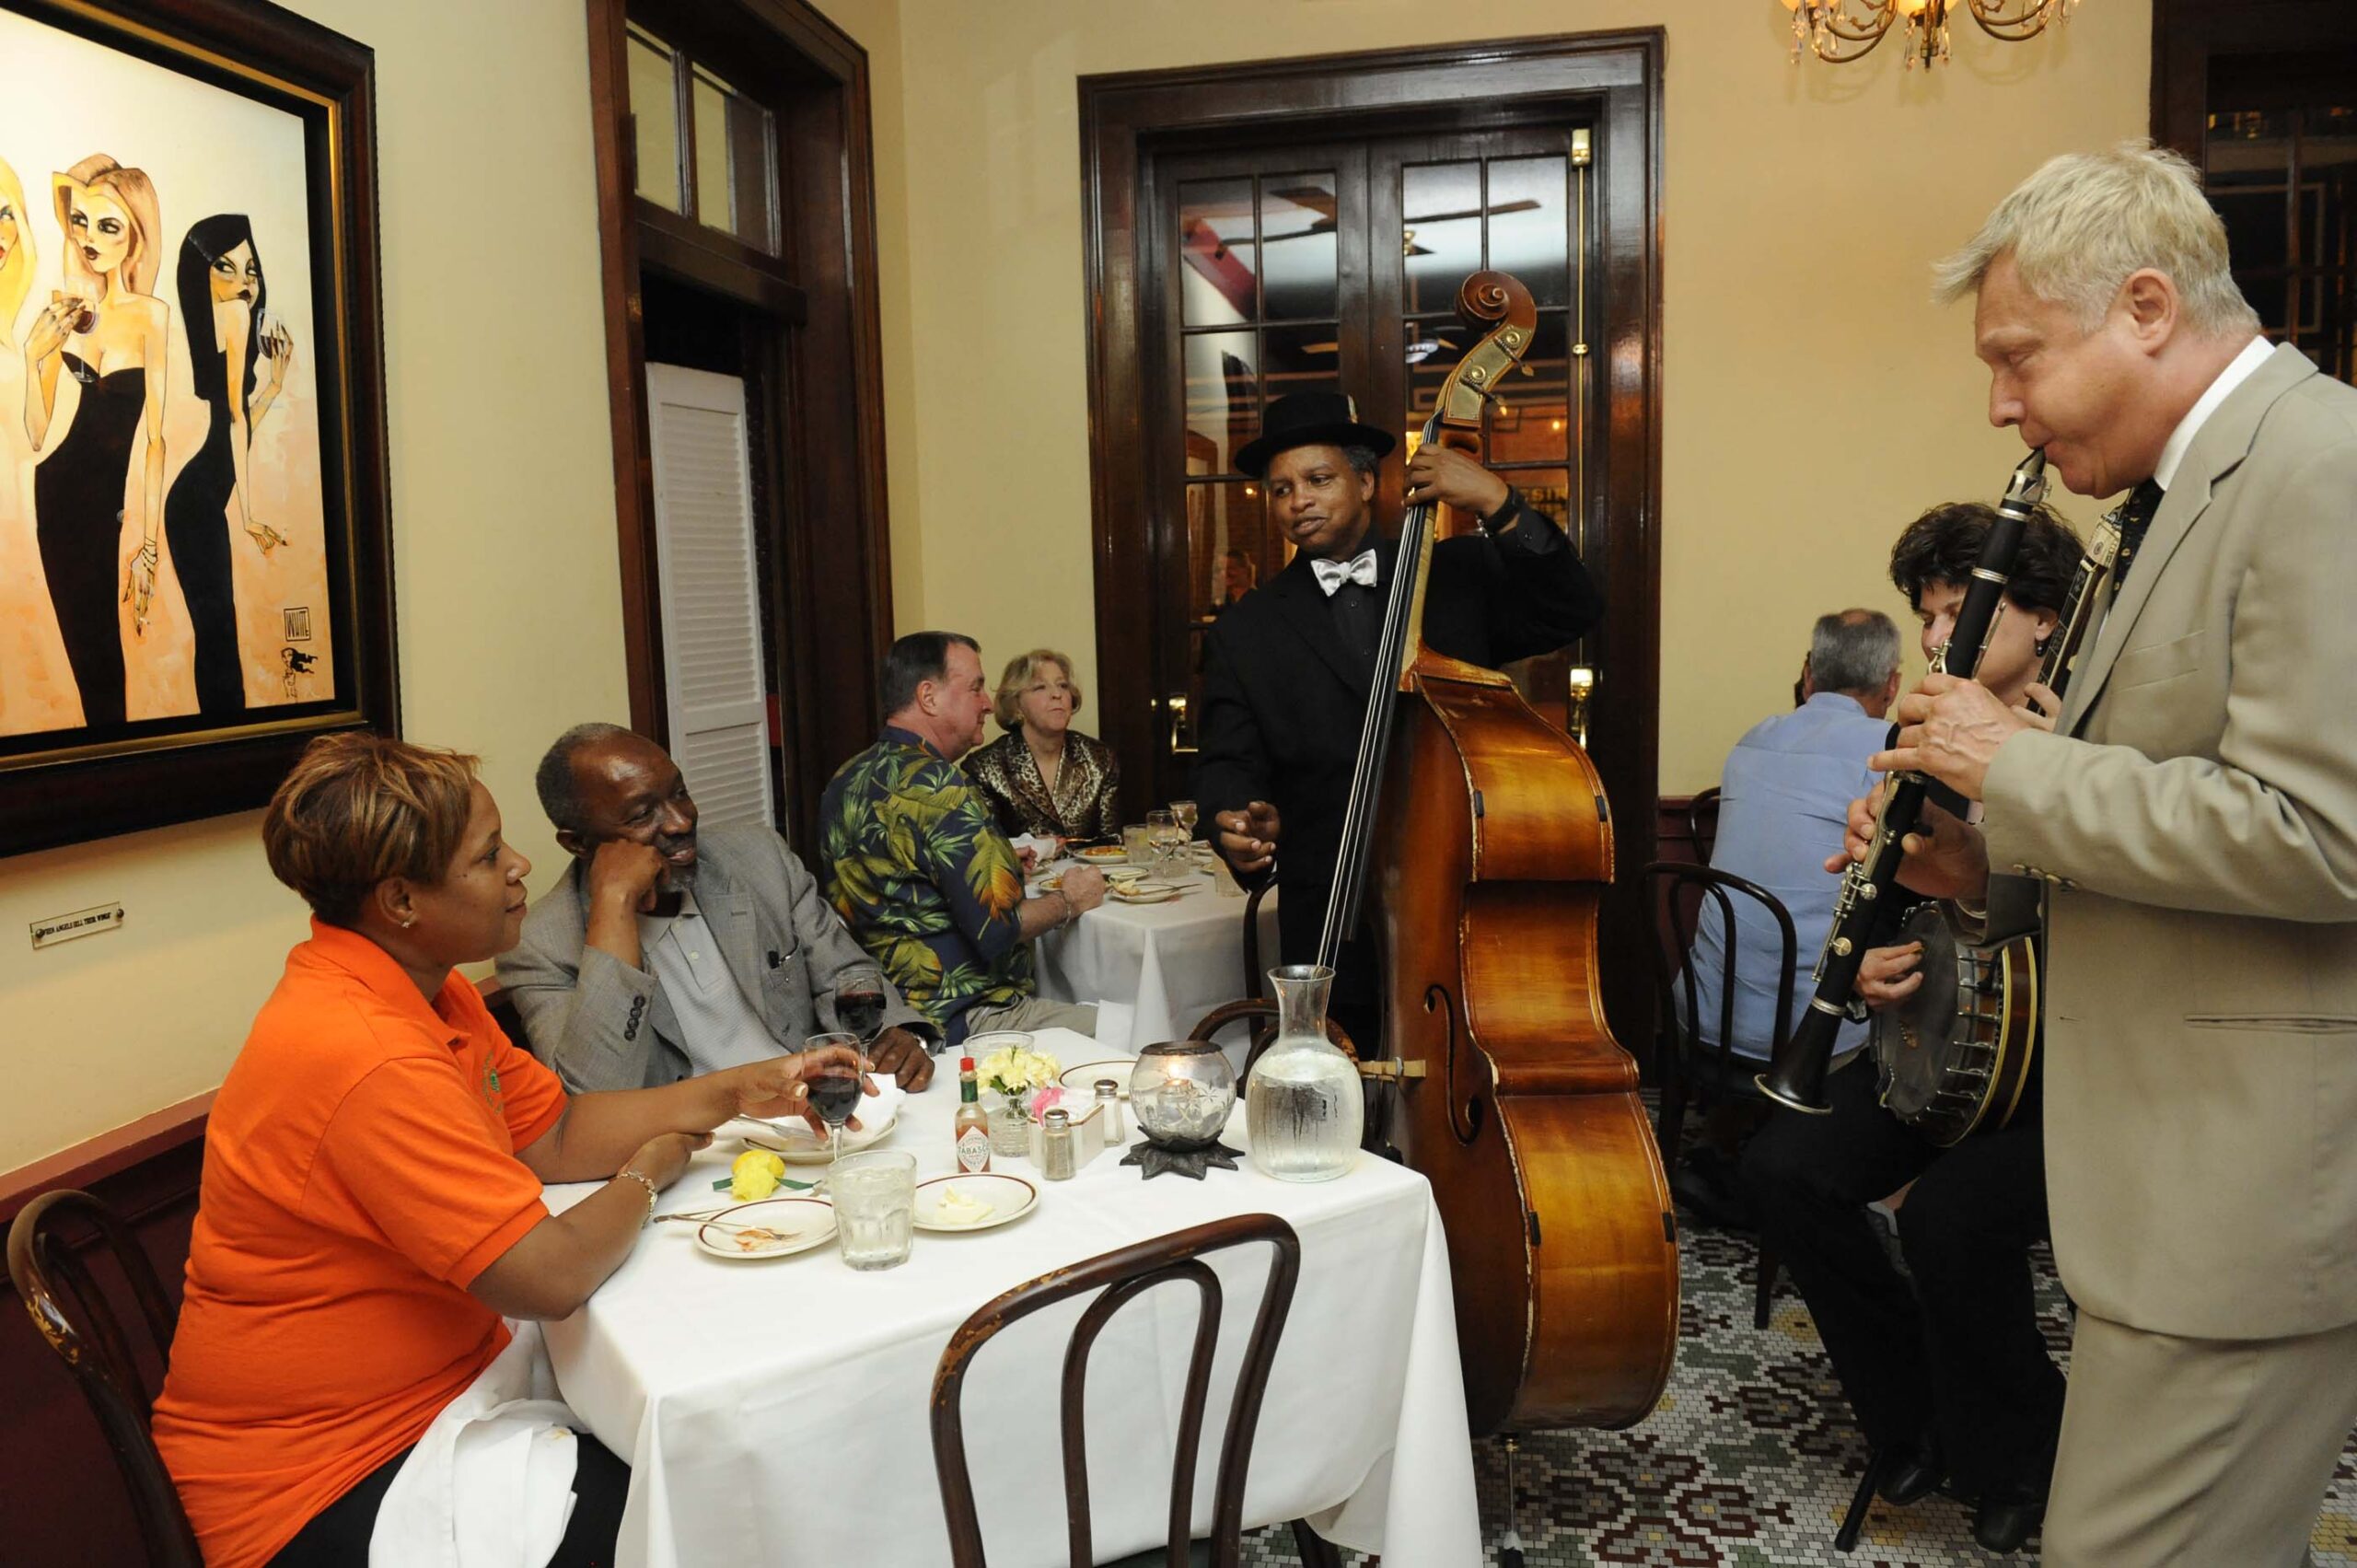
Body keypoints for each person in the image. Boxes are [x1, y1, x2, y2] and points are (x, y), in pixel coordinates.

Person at [1849, 141, 2357, 1565]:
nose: (1999, 400)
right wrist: (1981, 860)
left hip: (2243, 1198)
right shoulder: (2182, 491)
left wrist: (2020, 766)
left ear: (2145, 306)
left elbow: (2326, 833)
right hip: (2166, 1182)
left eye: (2018, 355)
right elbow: (2173, 814)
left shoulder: (2321, 467)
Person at [151, 732, 868, 1568]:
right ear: (401, 900)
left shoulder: (428, 986)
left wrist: (737, 1089)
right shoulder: (361, 1050)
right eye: (489, 856)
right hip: (329, 1474)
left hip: (441, 1389)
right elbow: (550, 1279)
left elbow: (557, 1134)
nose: (520, 864)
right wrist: (654, 1165)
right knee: (706, 1514)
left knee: (711, 1467)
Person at [1745, 501, 2083, 1553]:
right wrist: (1883, 952)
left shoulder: (2083, 739)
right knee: (1782, 1169)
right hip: (1940, 1054)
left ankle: (2026, 1446)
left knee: (1951, 1218)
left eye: (1962, 615)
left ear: (2044, 622)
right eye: (1930, 617)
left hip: (2069, 1073)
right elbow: (1902, 903)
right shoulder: (1917, 732)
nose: (1939, 639)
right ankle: (1916, 1410)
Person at [1192, 390, 1602, 1039]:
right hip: (1331, 913)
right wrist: (1237, 820)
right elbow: (1225, 763)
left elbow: (1573, 608)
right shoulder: (1245, 630)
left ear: (1364, 479)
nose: (1298, 500)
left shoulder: (1454, 575)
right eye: (1280, 489)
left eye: (1318, 479)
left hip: (1461, 899)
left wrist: (1497, 502)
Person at [498, 724, 938, 1094]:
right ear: (578, 844)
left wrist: (893, 1034)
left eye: (680, 793)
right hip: (693, 1150)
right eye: (641, 815)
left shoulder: (758, 858)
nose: (681, 822)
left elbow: (845, 973)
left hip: (811, 1112)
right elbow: (593, 1100)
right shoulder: (541, 945)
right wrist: (613, 907)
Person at [819, 631, 1108, 1045]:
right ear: (928, 697)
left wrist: (1002, 860)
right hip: (967, 1019)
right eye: (975, 688)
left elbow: (905, 878)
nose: (988, 703)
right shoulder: (944, 789)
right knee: (1141, 1031)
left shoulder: (845, 779)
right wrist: (1071, 900)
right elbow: (999, 931)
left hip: (888, 1021)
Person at [23, 156, 169, 729]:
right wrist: (35, 362)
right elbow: (38, 433)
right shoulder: (66, 310)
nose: (88, 238)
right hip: (55, 498)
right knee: (85, 653)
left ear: (136, 235)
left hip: (108, 510)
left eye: (109, 226)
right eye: (80, 221)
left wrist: (150, 545)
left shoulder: (151, 317)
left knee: (105, 657)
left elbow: (156, 440)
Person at [163, 214, 296, 716]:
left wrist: (276, 384)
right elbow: (236, 421)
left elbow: (233, 424)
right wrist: (246, 514)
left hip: (196, 501)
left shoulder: (218, 323)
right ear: (201, 273)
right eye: (225, 267)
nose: (243, 284)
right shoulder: (235, 320)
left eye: (251, 270)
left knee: (215, 626)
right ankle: (224, 720)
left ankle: (220, 722)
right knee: (216, 626)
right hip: (198, 503)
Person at [965, 648, 1120, 840]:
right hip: (1023, 870)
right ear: (1016, 705)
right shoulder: (984, 768)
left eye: (1063, 686)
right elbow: (986, 851)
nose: (1057, 694)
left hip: (1092, 870)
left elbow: (1112, 843)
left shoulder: (1100, 758)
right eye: (1040, 687)